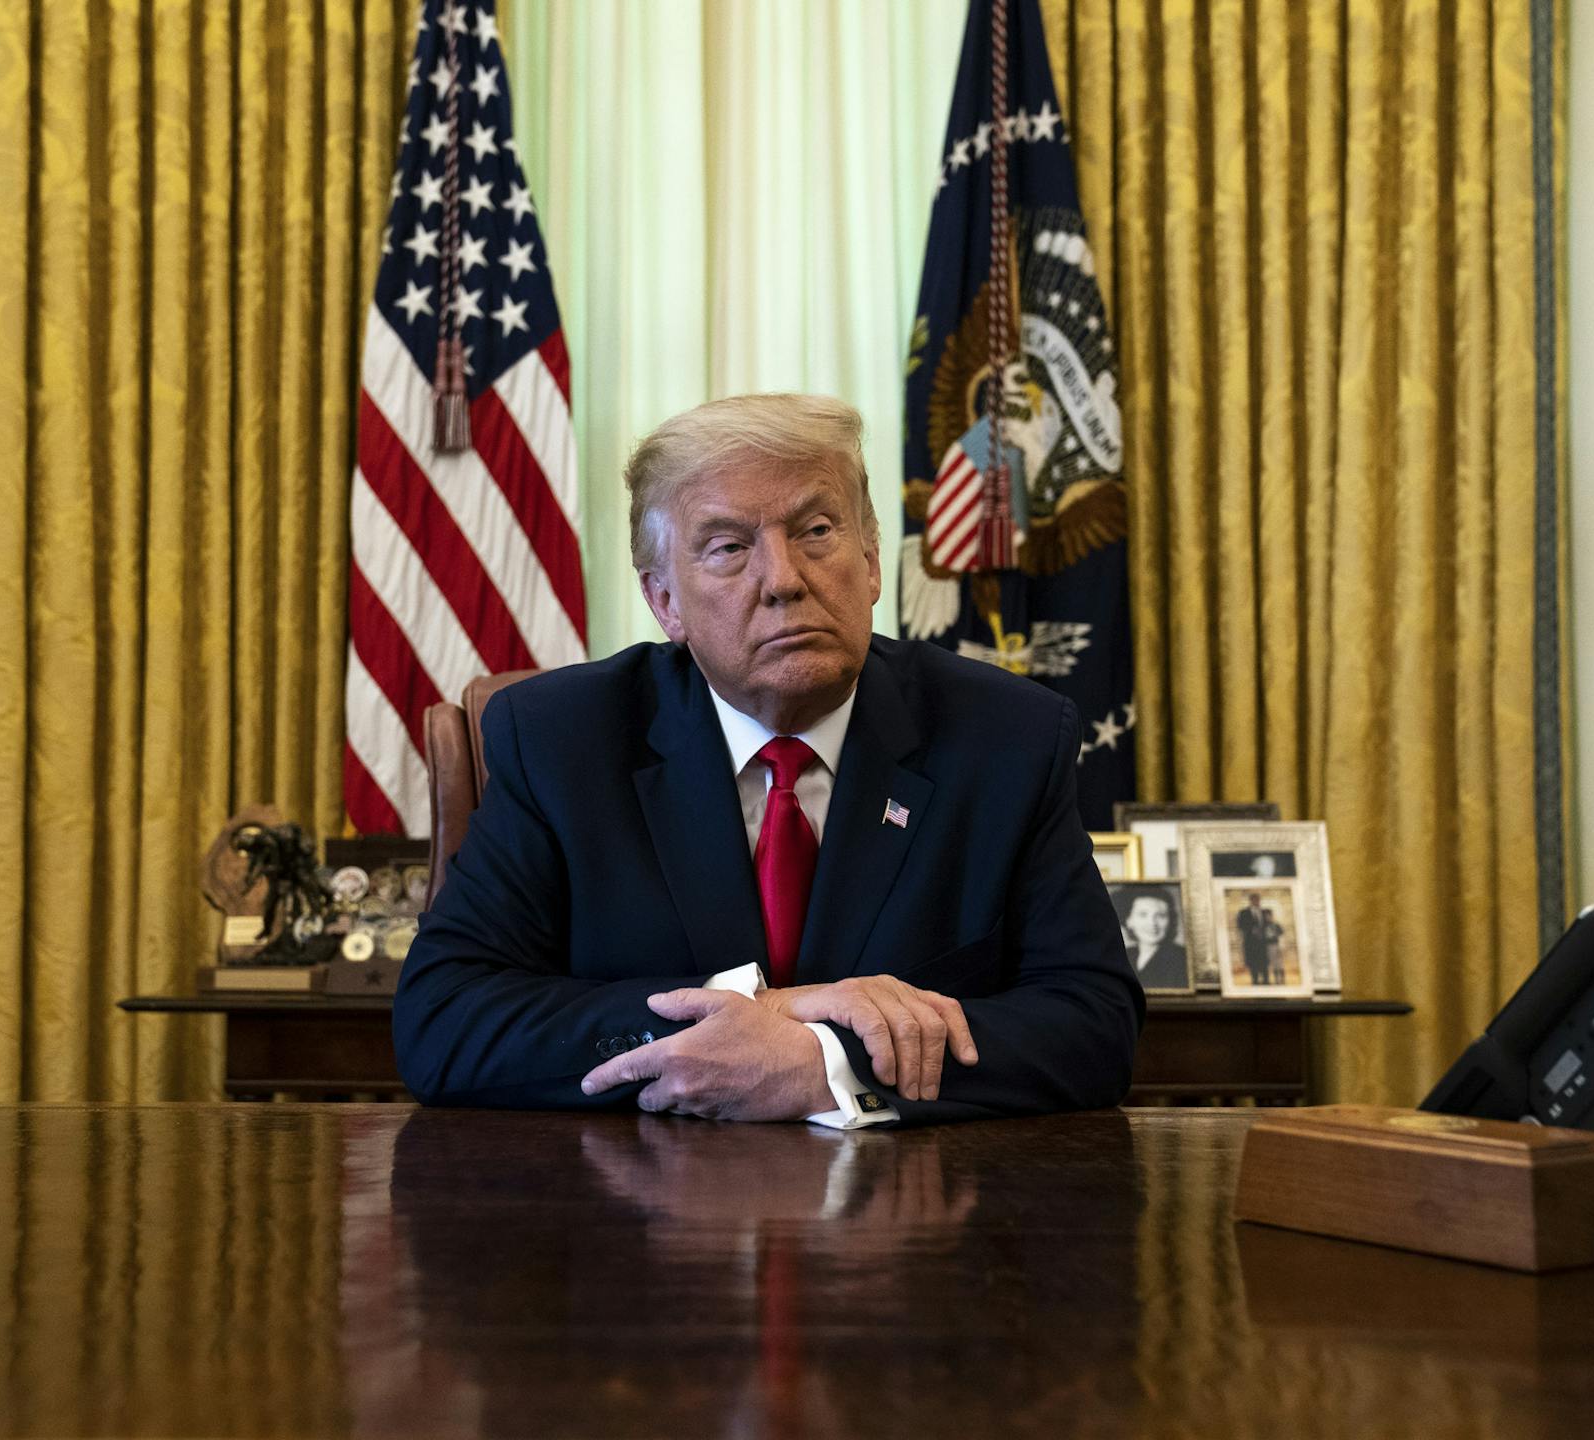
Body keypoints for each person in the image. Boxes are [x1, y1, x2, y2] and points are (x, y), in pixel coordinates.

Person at [392, 394, 1144, 1125]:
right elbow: (443, 1018)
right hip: (643, 1200)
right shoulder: (562, 739)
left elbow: (1093, 1023)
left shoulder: (1006, 737)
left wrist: (826, 1062)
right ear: (665, 602)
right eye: (728, 548)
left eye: (816, 531)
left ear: (872, 562)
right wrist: (762, 1014)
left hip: (912, 1200)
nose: (784, 579)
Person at [1120, 892, 1187, 991]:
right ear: (1128, 921)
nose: (1152, 923)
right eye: (1143, 915)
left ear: (1170, 921)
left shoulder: (1182, 958)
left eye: (1161, 916)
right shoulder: (1123, 956)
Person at [1236, 895, 1274, 985]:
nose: (1257, 901)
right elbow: (1240, 925)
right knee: (1253, 962)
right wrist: (1251, 930)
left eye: (1258, 900)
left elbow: (1270, 925)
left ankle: (1266, 981)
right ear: (1250, 901)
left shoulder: (1265, 911)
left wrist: (1266, 929)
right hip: (1251, 942)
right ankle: (1255, 981)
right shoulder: (1243, 912)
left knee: (1264, 962)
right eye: (1254, 900)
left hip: (1263, 942)